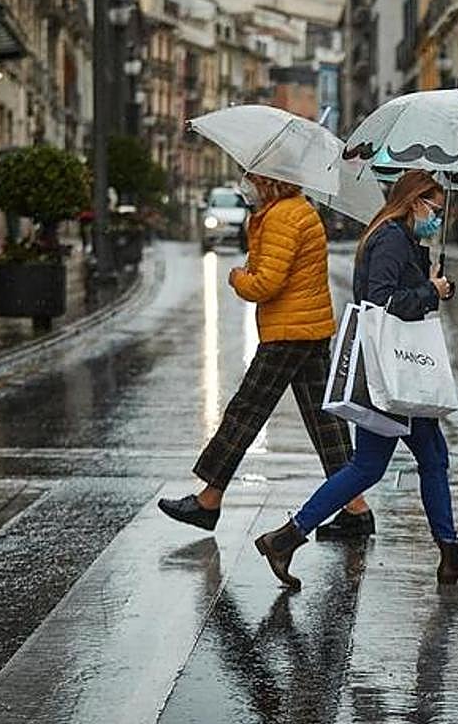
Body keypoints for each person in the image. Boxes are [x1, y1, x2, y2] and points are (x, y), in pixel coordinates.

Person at [254, 170, 458, 590]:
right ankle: (286, 537)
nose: (438, 219)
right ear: (414, 202)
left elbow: (400, 291)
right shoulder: (388, 239)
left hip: (399, 373)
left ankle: (449, 553)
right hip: (390, 375)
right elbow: (379, 301)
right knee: (376, 465)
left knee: (426, 458)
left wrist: (433, 281)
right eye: (435, 210)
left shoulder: (403, 239)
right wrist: (429, 292)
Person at [157, 173, 374, 538]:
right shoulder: (294, 210)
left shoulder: (282, 217)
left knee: (246, 411)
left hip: (288, 332)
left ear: (270, 183)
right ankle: (356, 508)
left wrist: (238, 277)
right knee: (325, 421)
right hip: (309, 328)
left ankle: (209, 500)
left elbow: (266, 283)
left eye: (252, 179)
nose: (246, 186)